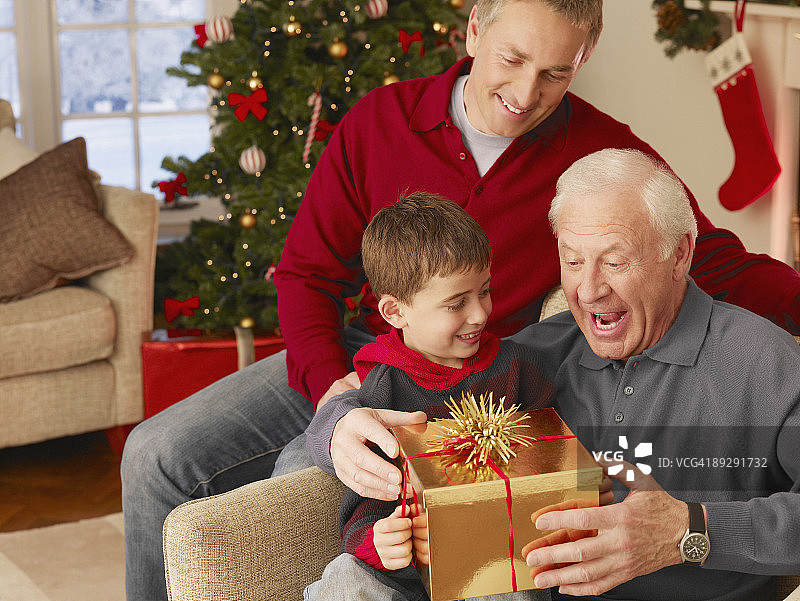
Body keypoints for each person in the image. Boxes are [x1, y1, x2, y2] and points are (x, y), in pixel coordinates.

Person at [120, 1, 800, 598]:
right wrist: (333, 394)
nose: (528, 91)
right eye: (513, 58)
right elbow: (305, 274)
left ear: (581, 63)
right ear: (475, 30)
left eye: (557, 73)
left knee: (315, 490)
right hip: (358, 354)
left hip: (472, 378)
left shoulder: (597, 147)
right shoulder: (378, 122)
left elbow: (704, 254)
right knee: (154, 455)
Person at [308, 148, 800, 601]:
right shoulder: (533, 356)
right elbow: (386, 392)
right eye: (572, 261)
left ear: (680, 254)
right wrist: (337, 427)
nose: (588, 290)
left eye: (615, 261)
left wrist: (690, 531)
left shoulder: (765, 362)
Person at [306, 191, 558, 601]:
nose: (479, 314)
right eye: (456, 303)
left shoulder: (517, 371)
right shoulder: (381, 391)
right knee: (342, 577)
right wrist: (379, 542)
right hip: (406, 574)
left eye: (484, 291)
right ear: (395, 312)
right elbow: (363, 504)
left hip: (494, 562)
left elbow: (553, 467)